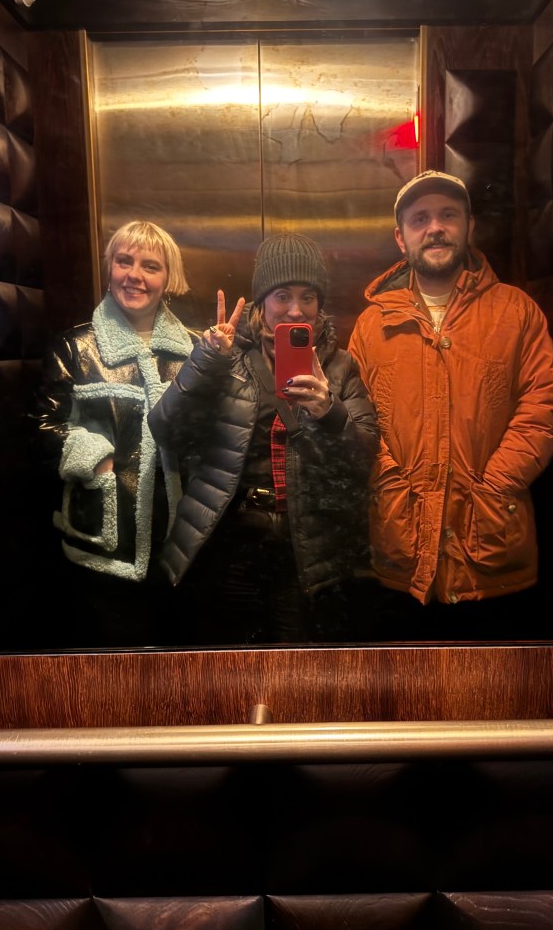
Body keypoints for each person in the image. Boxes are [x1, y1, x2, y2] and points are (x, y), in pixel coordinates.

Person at [348, 169, 553, 633]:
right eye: (420, 218)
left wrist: (493, 490)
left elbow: (543, 408)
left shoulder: (516, 311)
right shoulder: (371, 326)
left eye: (448, 215)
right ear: (400, 237)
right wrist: (391, 487)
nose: (435, 228)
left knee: (490, 697)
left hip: (491, 554)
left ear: (469, 226)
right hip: (400, 552)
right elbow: (356, 419)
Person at [148, 232, 379, 644]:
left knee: (294, 674)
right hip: (227, 544)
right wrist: (205, 361)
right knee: (224, 674)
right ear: (261, 302)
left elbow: (364, 458)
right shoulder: (226, 357)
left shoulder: (341, 369)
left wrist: (330, 412)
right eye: (282, 295)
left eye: (308, 296)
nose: (295, 309)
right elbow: (166, 430)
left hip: (304, 550)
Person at [34, 220, 195, 643]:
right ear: (110, 267)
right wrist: (96, 460)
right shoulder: (76, 346)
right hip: (103, 541)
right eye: (124, 261)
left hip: (180, 544)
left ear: (169, 278)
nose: (134, 275)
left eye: (150, 265)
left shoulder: (196, 350)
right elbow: (43, 423)